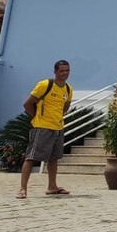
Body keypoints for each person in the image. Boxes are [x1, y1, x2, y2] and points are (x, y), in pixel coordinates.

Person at [16, 60, 73, 199]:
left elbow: (65, 107)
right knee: (31, 157)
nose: (64, 73)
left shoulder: (68, 89)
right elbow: (28, 103)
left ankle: (52, 186)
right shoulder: (45, 85)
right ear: (55, 72)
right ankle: (23, 189)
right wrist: (37, 117)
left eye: (67, 71)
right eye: (62, 71)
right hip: (42, 128)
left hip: (58, 128)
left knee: (54, 158)